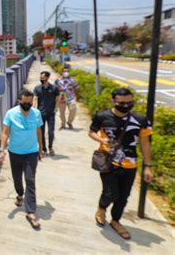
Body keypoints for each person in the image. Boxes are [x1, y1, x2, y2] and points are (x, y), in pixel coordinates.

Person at [89, 88, 153, 240]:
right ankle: (101, 208)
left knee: (123, 196)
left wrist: (148, 167)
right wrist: (102, 140)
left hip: (130, 164)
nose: (126, 105)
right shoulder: (102, 116)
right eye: (121, 103)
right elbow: (91, 132)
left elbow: (145, 144)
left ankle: (116, 221)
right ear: (113, 101)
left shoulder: (141, 120)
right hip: (107, 161)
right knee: (111, 192)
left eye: (129, 102)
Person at [0, 89, 44, 229]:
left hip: (31, 152)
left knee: (30, 180)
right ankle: (19, 194)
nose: (28, 105)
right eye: (25, 102)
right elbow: (5, 132)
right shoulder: (11, 113)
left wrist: (41, 148)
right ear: (19, 101)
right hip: (15, 152)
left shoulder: (36, 113)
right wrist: (2, 149)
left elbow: (39, 131)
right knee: (17, 178)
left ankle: (30, 212)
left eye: (30, 103)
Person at [34, 71, 59, 156]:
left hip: (51, 113)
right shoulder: (37, 88)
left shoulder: (54, 88)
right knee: (41, 132)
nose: (41, 79)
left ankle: (50, 147)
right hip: (40, 114)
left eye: (43, 77)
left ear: (47, 77)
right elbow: (35, 99)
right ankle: (43, 149)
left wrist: (56, 109)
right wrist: (34, 110)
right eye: (40, 77)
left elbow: (57, 99)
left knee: (51, 132)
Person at [55, 65, 79, 129]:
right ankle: (63, 124)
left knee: (73, 109)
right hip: (61, 98)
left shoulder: (72, 80)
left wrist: (77, 96)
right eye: (64, 71)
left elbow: (76, 88)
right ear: (62, 72)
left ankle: (69, 122)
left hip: (71, 98)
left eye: (67, 71)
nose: (66, 73)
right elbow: (55, 89)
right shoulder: (58, 80)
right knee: (62, 112)